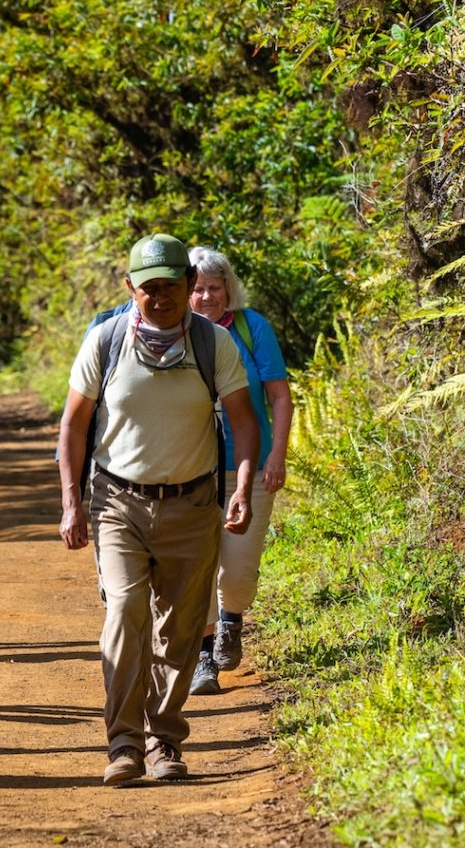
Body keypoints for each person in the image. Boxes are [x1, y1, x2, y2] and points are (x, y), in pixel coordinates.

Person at [56, 233, 258, 786]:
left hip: (192, 506)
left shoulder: (213, 344)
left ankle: (164, 738)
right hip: (118, 501)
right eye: (148, 288)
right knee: (124, 613)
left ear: (191, 285)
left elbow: (243, 420)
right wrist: (72, 500)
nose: (160, 297)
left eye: (171, 286)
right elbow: (74, 425)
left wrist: (239, 488)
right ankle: (123, 743)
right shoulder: (106, 340)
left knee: (181, 631)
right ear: (130, 288)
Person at [185, 247, 292, 696]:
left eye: (214, 287)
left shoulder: (252, 328)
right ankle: (204, 654)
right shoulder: (178, 333)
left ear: (228, 288)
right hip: (190, 468)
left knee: (239, 568)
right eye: (197, 288)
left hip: (248, 466)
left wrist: (277, 455)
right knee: (196, 566)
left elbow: (280, 397)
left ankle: (232, 618)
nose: (206, 296)